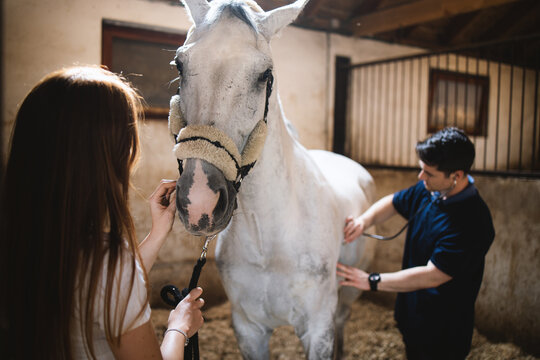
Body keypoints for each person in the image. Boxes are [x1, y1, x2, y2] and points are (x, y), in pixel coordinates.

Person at [0, 66, 203, 359]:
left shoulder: (26, 241)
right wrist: (179, 327)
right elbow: (111, 280)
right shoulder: (108, 260)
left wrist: (157, 233)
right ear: (109, 157)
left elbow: (106, 286)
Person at [337, 127, 495, 360]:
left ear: (457, 175)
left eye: (429, 173)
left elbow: (433, 275)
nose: (421, 178)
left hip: (444, 329)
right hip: (412, 314)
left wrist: (371, 281)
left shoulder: (473, 222)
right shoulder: (432, 191)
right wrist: (364, 220)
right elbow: (394, 202)